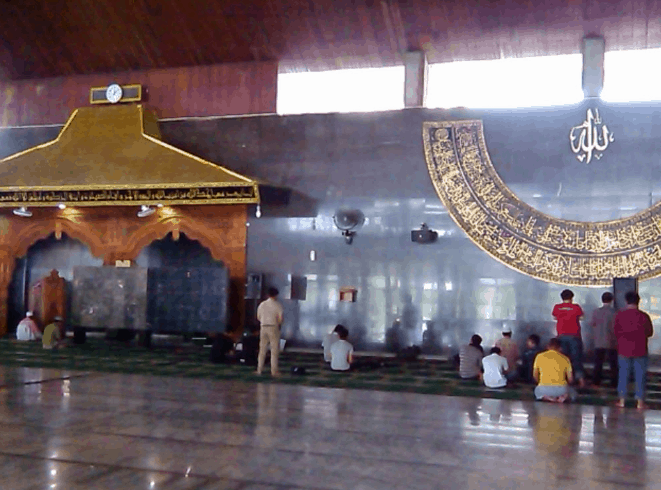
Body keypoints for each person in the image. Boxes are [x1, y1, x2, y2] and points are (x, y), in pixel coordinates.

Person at [613, 292, 654, 410]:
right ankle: (640, 403)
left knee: (623, 375)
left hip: (623, 350)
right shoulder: (644, 316)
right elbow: (649, 333)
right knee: (640, 376)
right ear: (638, 301)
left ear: (626, 301)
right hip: (640, 350)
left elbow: (615, 331)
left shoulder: (620, 315)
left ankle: (621, 400)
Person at [552, 289, 586, 387]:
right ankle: (581, 381)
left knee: (563, 359)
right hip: (574, 336)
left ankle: (564, 379)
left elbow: (554, 317)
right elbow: (582, 317)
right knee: (577, 359)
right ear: (572, 298)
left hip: (561, 336)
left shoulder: (557, 307)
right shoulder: (576, 307)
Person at [533, 337, 577, 403]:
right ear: (560, 348)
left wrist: (539, 382)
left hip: (544, 389)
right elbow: (570, 379)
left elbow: (535, 375)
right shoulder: (566, 358)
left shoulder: (539, 356)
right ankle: (563, 397)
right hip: (561, 390)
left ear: (547, 346)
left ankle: (546, 397)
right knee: (573, 393)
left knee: (537, 391)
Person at [591, 292, 618, 388]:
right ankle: (614, 383)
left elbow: (593, 324)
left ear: (602, 300)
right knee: (613, 363)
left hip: (599, 340)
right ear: (611, 300)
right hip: (612, 340)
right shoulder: (615, 312)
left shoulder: (596, 311)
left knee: (598, 363)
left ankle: (596, 382)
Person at [256, 287, 284, 376]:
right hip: (273, 327)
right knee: (274, 350)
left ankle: (259, 370)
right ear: (276, 295)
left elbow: (258, 317)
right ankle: (274, 371)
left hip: (263, 327)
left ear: (268, 295)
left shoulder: (262, 304)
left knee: (262, 350)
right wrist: (278, 325)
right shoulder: (277, 305)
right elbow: (280, 319)